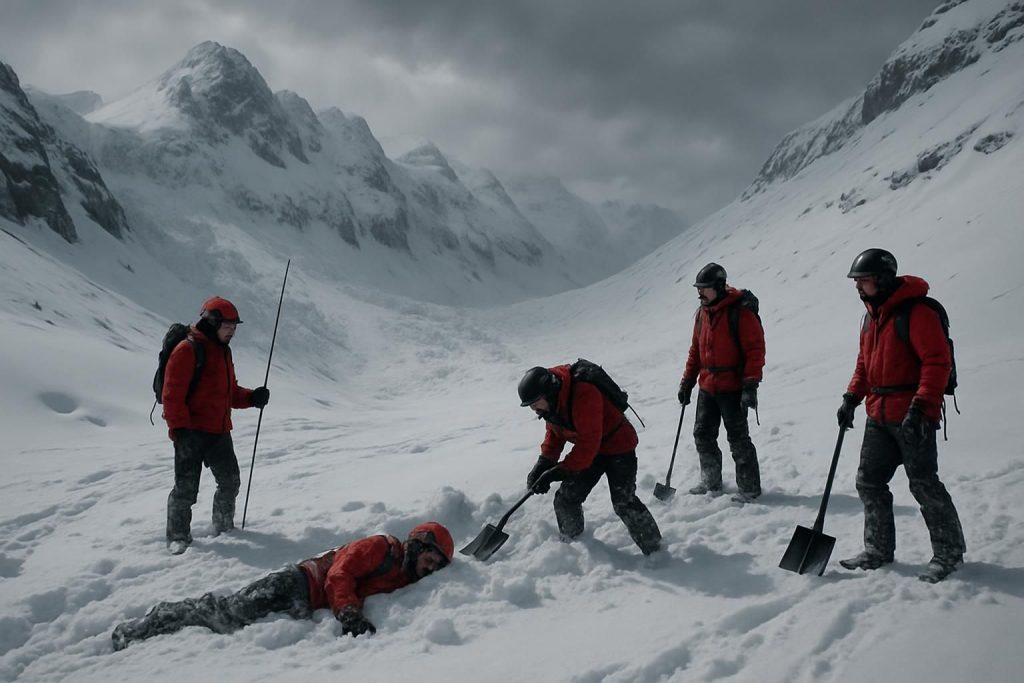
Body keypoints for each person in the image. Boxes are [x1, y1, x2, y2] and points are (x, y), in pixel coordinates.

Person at [111, 522, 454, 650]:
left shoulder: (406, 574)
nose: (432, 567)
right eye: (432, 558)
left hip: (306, 604)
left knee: (230, 625)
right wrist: (349, 612)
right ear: (419, 545)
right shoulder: (380, 547)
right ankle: (148, 624)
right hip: (296, 583)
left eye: (438, 565)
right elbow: (339, 575)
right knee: (227, 615)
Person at [836, 248, 966, 583]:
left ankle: (949, 553)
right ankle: (878, 549)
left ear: (881, 279)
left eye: (862, 280)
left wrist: (923, 408)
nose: (857, 287)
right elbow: (865, 365)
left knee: (923, 483)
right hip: (878, 414)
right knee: (869, 481)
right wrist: (851, 397)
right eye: (856, 281)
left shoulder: (917, 312)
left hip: (912, 414)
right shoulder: (871, 317)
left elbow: (936, 362)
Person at [162, 296, 270, 554]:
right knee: (186, 490)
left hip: (219, 432)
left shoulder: (223, 351)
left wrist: (252, 397)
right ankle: (177, 536)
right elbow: (171, 396)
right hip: (190, 433)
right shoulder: (188, 350)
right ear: (212, 322)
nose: (232, 332)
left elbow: (228, 393)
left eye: (234, 327)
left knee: (230, 481)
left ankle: (223, 527)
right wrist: (180, 431)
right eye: (228, 326)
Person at [517, 365, 662, 555]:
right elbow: (555, 433)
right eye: (530, 405)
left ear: (548, 392)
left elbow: (588, 443)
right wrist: (544, 462)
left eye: (535, 403)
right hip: (591, 451)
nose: (533, 409)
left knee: (623, 501)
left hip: (619, 445)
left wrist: (559, 471)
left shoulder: (583, 393)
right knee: (565, 498)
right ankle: (573, 545)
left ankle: (656, 550)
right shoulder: (552, 403)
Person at [677, 263, 765, 503]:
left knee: (738, 439)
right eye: (698, 289)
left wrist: (750, 386)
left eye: (704, 289)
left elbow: (755, 351)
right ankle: (711, 481)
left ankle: (749, 488)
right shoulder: (702, 314)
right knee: (702, 434)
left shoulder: (741, 312)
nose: (700, 293)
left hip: (733, 387)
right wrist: (687, 382)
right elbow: (696, 351)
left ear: (718, 287)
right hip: (708, 386)